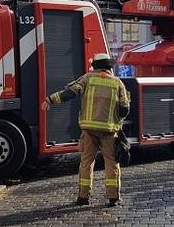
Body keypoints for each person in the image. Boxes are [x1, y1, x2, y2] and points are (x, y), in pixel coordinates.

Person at [42, 53, 130, 207]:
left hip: (89, 131)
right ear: (109, 66)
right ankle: (113, 198)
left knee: (86, 163)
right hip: (109, 132)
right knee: (111, 163)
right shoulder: (118, 83)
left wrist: (50, 100)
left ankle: (83, 197)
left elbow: (69, 93)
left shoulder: (87, 79)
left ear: (95, 65)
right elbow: (125, 109)